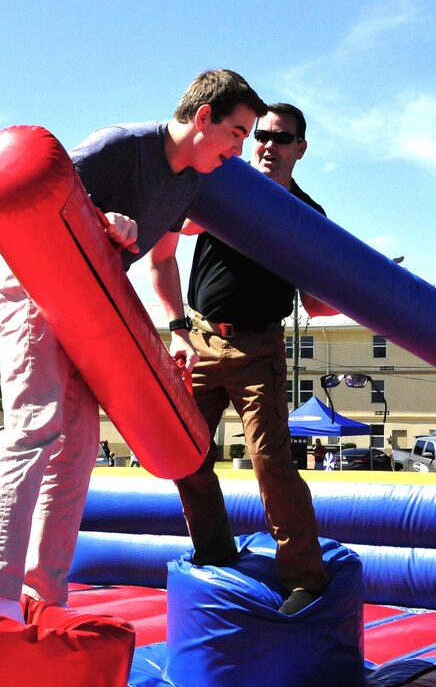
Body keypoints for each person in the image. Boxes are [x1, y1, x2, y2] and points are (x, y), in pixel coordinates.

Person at [0, 69, 267, 624]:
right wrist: (104, 219)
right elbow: (41, 204)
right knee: (37, 423)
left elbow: (160, 260)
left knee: (77, 449)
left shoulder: (185, 185)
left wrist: (176, 329)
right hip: (34, 286)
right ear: (203, 118)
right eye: (237, 132)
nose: (239, 148)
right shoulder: (122, 144)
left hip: (91, 306)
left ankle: (44, 594)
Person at [149, 102, 337, 615]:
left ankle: (304, 577)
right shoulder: (219, 184)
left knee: (271, 460)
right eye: (262, 136)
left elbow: (316, 304)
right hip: (202, 341)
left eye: (282, 138)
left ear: (301, 147)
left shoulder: (308, 216)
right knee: (185, 454)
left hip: (260, 349)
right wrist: (178, 330)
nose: (268, 145)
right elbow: (165, 245)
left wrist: (374, 286)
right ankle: (215, 553)